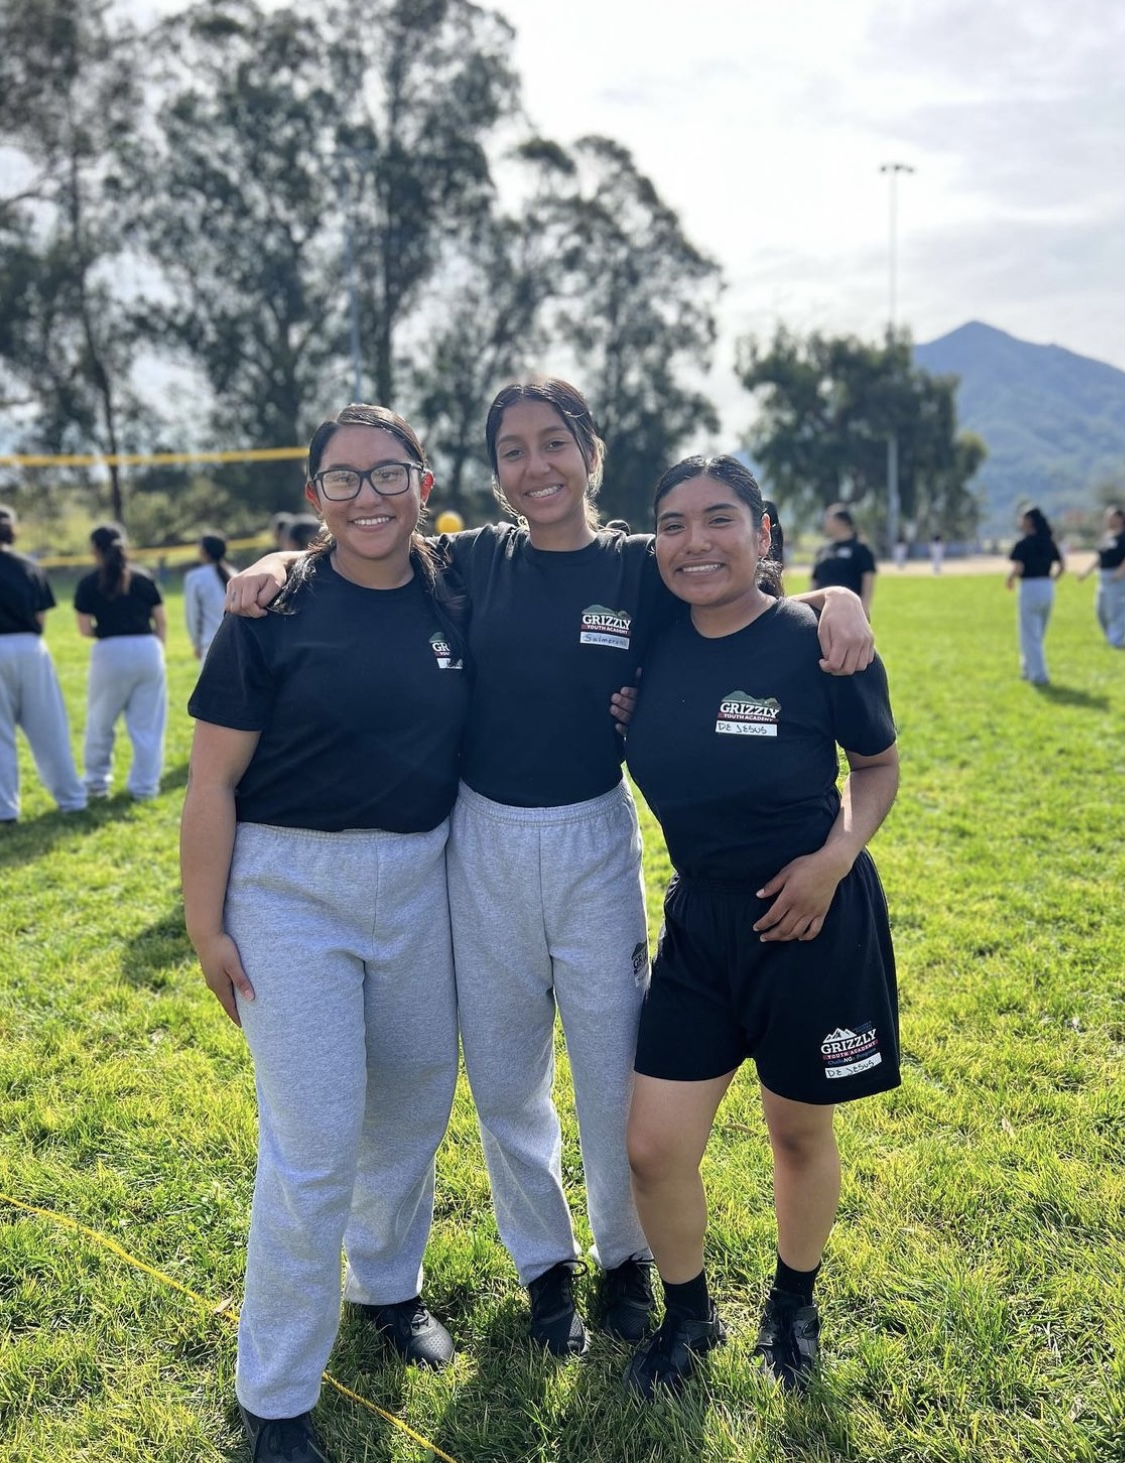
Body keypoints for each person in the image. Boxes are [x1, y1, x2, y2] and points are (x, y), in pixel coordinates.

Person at [225, 379, 875, 1359]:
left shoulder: (637, 566)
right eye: (514, 450)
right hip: (478, 839)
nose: (536, 467)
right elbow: (362, 541)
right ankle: (543, 1265)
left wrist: (836, 599)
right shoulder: (471, 562)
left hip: (592, 841)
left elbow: (739, 588)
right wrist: (277, 558)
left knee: (614, 1071)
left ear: (590, 453)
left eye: (553, 444)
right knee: (504, 1077)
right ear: (493, 474)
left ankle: (624, 1262)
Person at [181, 404, 469, 1463]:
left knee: (408, 1108)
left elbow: (620, 576)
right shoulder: (271, 608)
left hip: (417, 880)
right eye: (341, 480)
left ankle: (387, 1287)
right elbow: (211, 778)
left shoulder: (458, 587)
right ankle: (275, 1395)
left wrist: (826, 593)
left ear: (423, 482)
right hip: (287, 888)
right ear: (315, 498)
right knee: (310, 1146)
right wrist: (204, 921)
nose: (367, 496)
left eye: (387, 473)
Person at [621, 454, 899, 1401]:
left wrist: (831, 862)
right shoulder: (649, 634)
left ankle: (792, 1303)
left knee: (795, 1129)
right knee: (652, 1146)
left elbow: (876, 769)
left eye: (719, 519)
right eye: (672, 524)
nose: (694, 541)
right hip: (700, 917)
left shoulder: (817, 641)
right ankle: (688, 1318)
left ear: (762, 532)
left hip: (808, 912)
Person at [0, 504, 86, 823]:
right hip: (31, 647)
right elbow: (40, 618)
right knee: (50, 727)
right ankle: (71, 799)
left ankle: (3, 810)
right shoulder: (29, 566)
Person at [73, 525, 167, 801]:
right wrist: (156, 648)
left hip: (109, 651)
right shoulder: (143, 577)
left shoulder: (89, 582)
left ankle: (96, 783)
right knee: (148, 724)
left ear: (95, 549)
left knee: (100, 721)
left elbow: (84, 628)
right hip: (148, 649)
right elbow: (160, 621)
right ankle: (145, 787)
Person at [1006, 506, 1064, 685]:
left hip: (1030, 586)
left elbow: (1019, 567)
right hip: (1047, 586)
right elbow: (1062, 566)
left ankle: (1038, 675)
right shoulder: (1049, 542)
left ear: (1029, 522)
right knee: (1038, 633)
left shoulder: (1023, 544)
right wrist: (1051, 581)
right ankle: (1027, 668)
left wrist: (1009, 579)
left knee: (1029, 634)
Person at [810, 504, 876, 617]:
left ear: (842, 522)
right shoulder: (824, 549)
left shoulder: (860, 548)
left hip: (849, 610)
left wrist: (864, 608)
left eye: (828, 518)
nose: (825, 522)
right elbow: (815, 580)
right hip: (821, 610)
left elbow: (868, 579)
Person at [1076, 505, 1125, 648]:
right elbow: (1100, 557)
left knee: (1115, 610)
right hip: (1103, 577)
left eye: (1112, 517)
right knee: (1101, 611)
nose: (1109, 520)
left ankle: (1116, 640)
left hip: (1117, 576)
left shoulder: (1123, 537)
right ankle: (1111, 635)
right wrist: (1086, 573)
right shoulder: (1106, 537)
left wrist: (1120, 572)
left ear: (1120, 519)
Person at [184, 533, 235, 662]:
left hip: (211, 644)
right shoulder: (235, 573)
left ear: (203, 551)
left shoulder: (195, 577)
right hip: (237, 641)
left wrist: (196, 643)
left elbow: (192, 614)